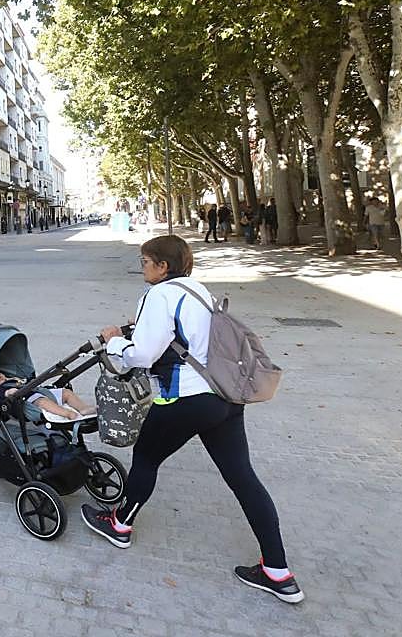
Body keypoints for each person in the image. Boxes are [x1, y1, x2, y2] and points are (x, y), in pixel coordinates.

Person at [81, 235, 302, 604]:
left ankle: (119, 525)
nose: (142, 267)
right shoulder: (198, 290)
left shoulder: (158, 295)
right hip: (224, 398)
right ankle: (278, 572)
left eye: (145, 261)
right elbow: (183, 335)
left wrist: (115, 343)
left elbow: (143, 355)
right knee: (242, 478)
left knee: (147, 458)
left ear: (162, 266)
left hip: (186, 397)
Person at [0, 367, 95, 419]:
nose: (0, 375)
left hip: (41, 391)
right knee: (43, 402)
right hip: (30, 400)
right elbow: (6, 394)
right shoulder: (0, 389)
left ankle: (83, 408)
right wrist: (11, 392)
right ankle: (67, 413)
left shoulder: (10, 378)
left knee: (66, 392)